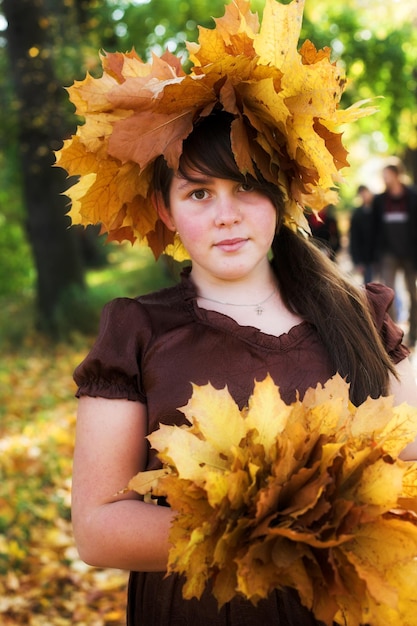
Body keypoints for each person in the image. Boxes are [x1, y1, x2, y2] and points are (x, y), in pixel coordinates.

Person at [59, 1, 417, 624]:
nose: (225, 213)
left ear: (278, 200)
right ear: (167, 213)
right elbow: (97, 528)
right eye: (198, 192)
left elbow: (410, 462)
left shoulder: (362, 316)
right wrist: (264, 530)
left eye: (245, 185)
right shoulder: (138, 330)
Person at [372, 163, 417, 346]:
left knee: (413, 293)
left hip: (410, 254)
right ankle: (392, 336)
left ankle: (413, 333)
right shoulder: (379, 200)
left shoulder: (413, 197)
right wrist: (375, 255)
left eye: (388, 175)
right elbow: (374, 229)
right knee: (387, 294)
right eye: (383, 175)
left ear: (398, 175)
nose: (385, 178)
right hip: (388, 253)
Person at [349, 184, 376, 283]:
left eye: (365, 193)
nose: (364, 196)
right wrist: (357, 261)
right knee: (370, 286)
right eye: (362, 194)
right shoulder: (357, 214)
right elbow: (354, 239)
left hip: (380, 256)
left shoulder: (378, 210)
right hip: (366, 258)